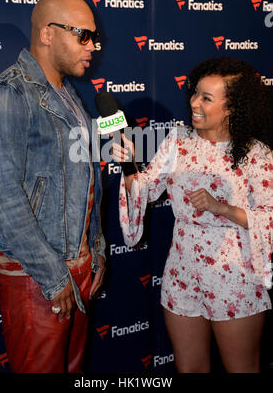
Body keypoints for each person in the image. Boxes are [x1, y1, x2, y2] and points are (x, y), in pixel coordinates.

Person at [0, 0, 106, 373]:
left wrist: (93, 249)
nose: (93, 46)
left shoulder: (69, 95)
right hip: (36, 277)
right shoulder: (6, 95)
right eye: (83, 35)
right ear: (48, 34)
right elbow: (1, 202)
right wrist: (53, 276)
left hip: (76, 268)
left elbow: (85, 181)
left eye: (93, 36)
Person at [114, 57, 273, 373]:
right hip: (182, 272)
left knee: (241, 368)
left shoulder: (258, 155)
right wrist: (129, 165)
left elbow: (269, 218)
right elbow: (146, 188)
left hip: (234, 275)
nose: (193, 103)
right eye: (195, 93)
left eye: (206, 98)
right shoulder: (178, 140)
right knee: (190, 369)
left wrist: (221, 208)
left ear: (231, 108)